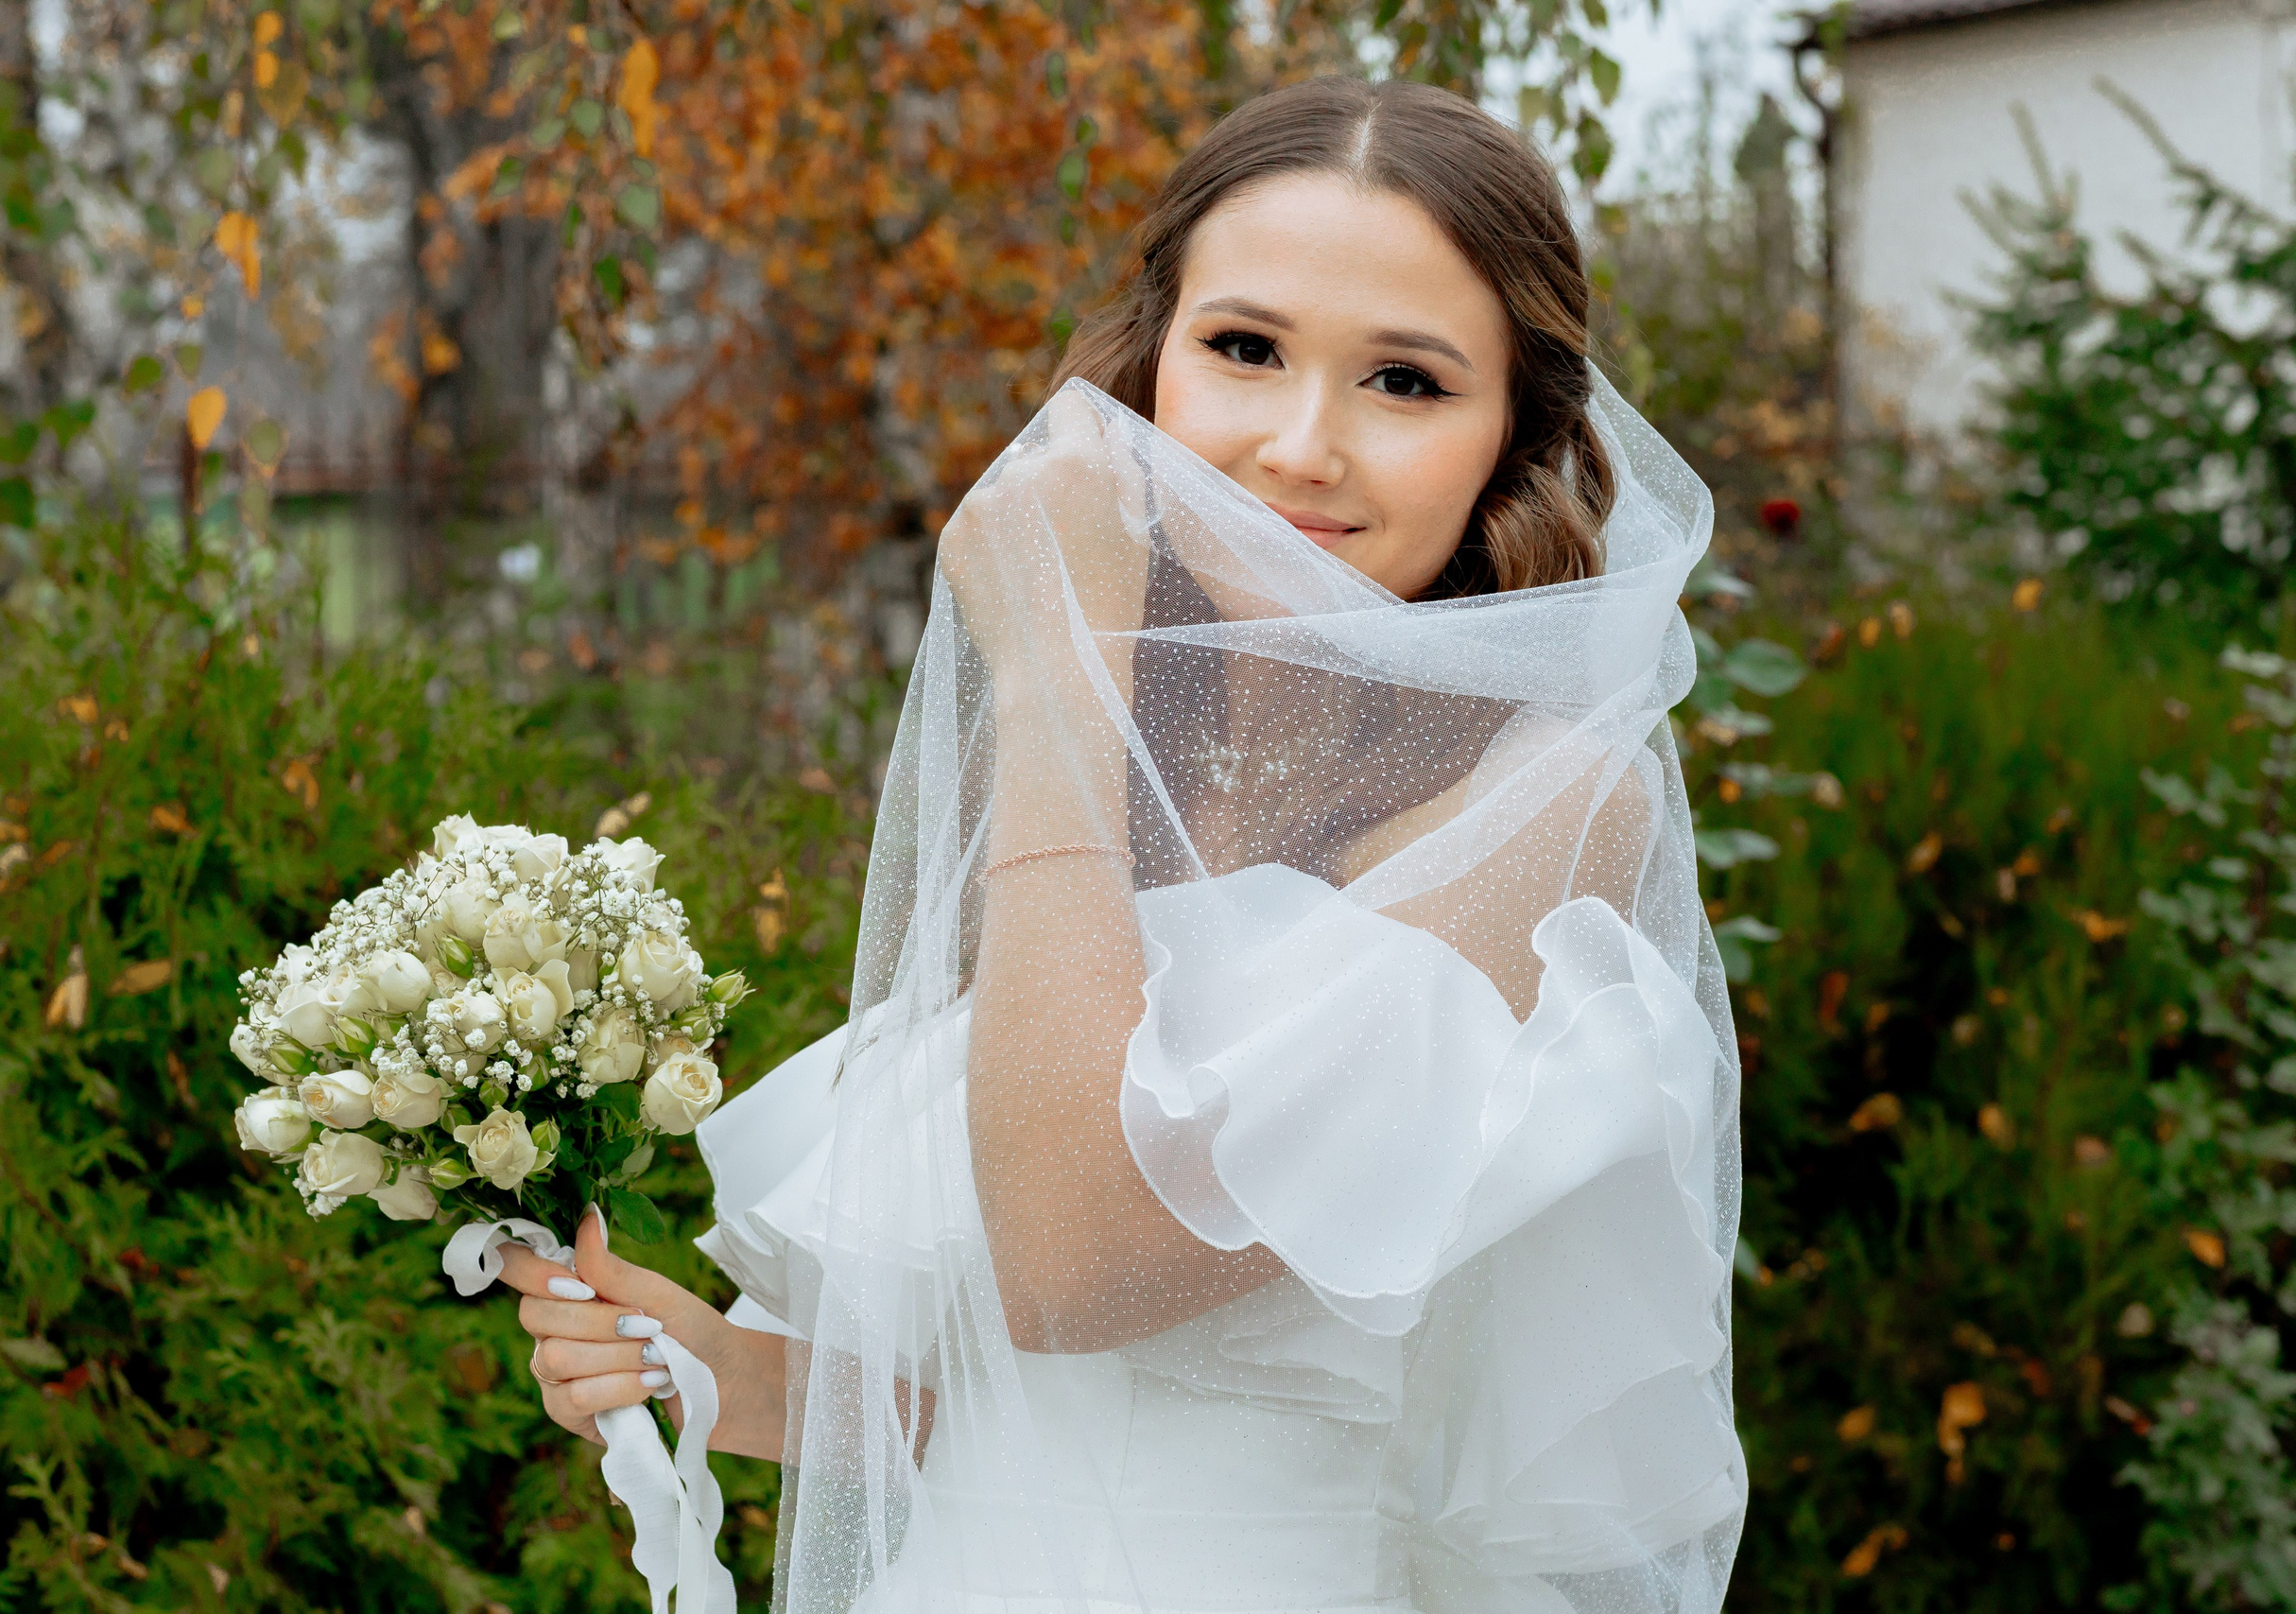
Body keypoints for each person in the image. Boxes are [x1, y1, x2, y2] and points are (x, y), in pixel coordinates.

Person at [497, 74, 1747, 1614]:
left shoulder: (1545, 807)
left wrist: (1048, 680)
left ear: (1513, 436)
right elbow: (1054, 1405)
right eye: (1244, 349)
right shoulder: (1117, 754)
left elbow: (1083, 1266)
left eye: (1407, 382)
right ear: (1148, 369)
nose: (1303, 446)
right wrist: (722, 1373)